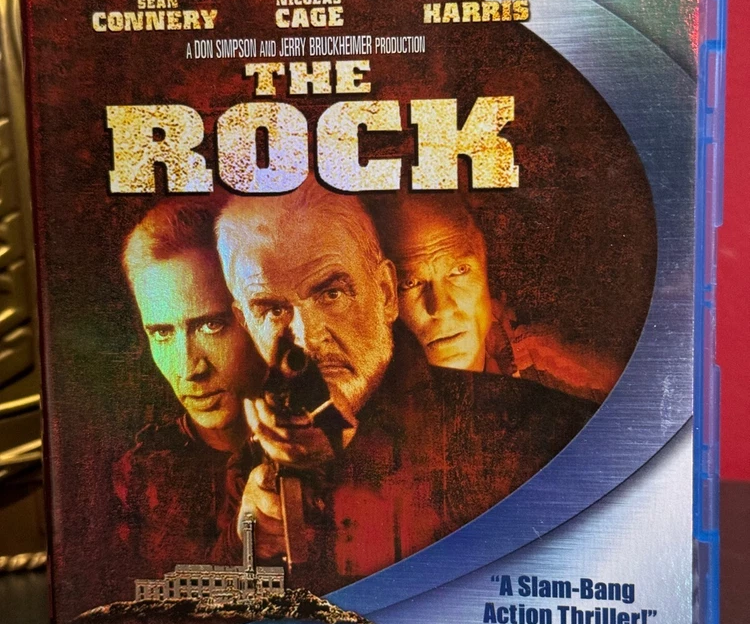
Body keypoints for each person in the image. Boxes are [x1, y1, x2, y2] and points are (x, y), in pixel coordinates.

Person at [216, 180, 596, 595]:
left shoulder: (531, 427)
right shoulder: (248, 466)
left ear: (384, 293)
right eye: (272, 310)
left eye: (331, 294)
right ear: (245, 321)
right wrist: (248, 546)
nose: (305, 340)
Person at [112, 196, 264, 584]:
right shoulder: (139, 476)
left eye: (211, 326)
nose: (188, 369)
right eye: (162, 333)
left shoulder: (335, 443)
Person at [371, 194, 619, 403]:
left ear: (484, 262)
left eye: (459, 271)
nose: (442, 307)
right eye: (410, 283)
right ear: (385, 294)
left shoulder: (569, 378)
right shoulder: (366, 403)